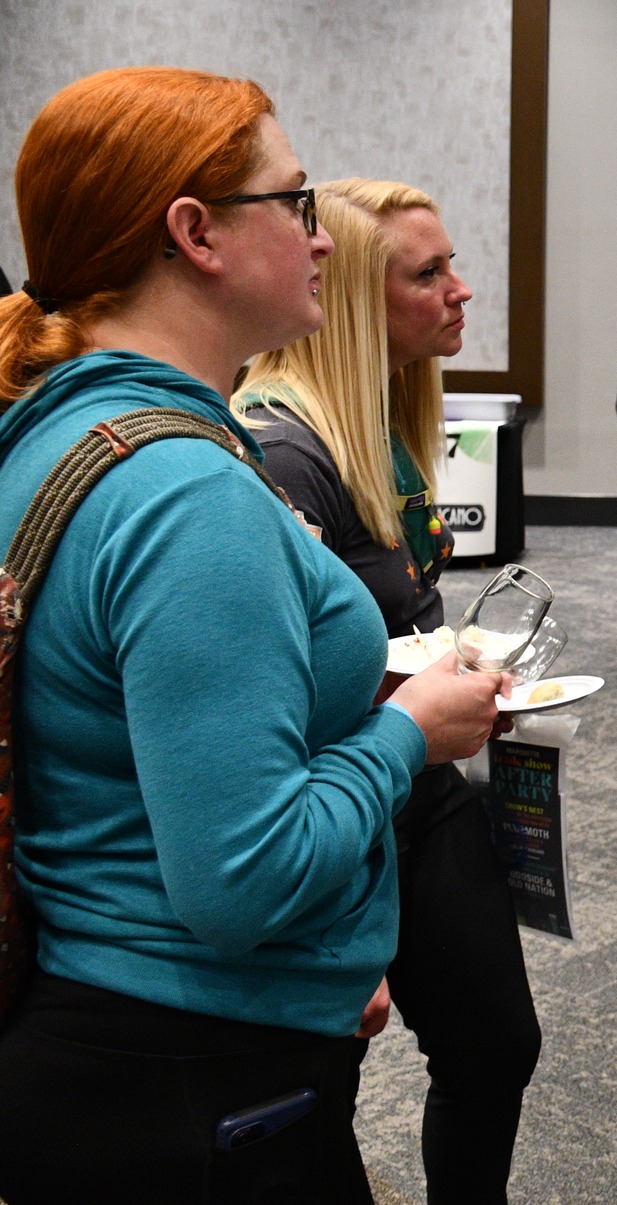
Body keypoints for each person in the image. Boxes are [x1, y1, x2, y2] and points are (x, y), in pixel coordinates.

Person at [0, 66, 505, 1203]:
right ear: (196, 234)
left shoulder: (60, 431)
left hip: (117, 1031)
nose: (322, 237)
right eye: (295, 200)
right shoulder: (185, 494)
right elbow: (245, 879)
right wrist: (408, 733)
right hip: (191, 1064)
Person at [237, 178, 542, 1205]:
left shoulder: (382, 421)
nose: (461, 290)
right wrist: (344, 928)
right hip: (335, 810)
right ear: (358, 300)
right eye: (429, 273)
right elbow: (279, 702)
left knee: (496, 1044)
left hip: (419, 788)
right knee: (321, 1089)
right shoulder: (284, 450)